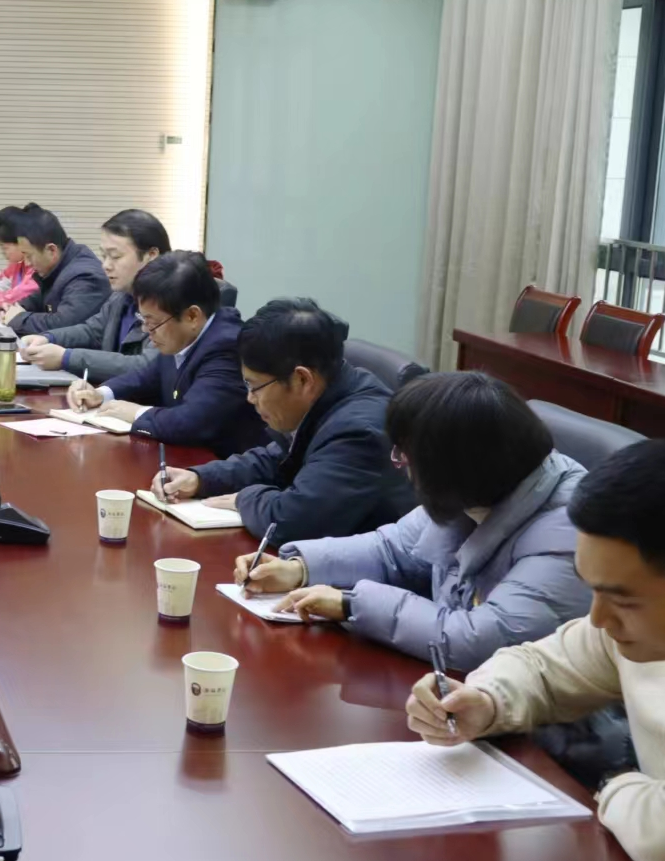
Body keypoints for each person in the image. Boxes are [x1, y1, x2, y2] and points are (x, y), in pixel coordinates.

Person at [403, 440, 665, 861]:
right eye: (592, 590)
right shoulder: (627, 635)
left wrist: (614, 784)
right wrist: (485, 701)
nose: (598, 618)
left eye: (622, 600)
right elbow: (540, 666)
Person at [237, 371, 588, 669]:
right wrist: (300, 568)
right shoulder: (482, 487)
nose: (402, 466)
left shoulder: (568, 531)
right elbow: (392, 549)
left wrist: (351, 604)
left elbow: (478, 640)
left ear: (456, 465)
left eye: (407, 456)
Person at [153, 299, 415, 542]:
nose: (250, 398)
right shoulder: (329, 393)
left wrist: (244, 499)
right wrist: (201, 478)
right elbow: (277, 460)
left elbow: (293, 521)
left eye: (254, 386)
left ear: (302, 379)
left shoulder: (359, 431)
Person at [64, 251, 268, 457]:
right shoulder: (181, 334)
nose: (146, 330)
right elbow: (146, 377)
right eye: (143, 320)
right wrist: (101, 394)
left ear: (192, 316)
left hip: (222, 464)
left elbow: (191, 423)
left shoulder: (227, 346)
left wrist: (136, 413)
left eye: (152, 322)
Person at [21, 209, 168, 382]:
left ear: (151, 256)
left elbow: (145, 366)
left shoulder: (172, 304)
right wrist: (48, 338)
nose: (106, 265)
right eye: (104, 256)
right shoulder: (121, 296)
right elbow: (92, 331)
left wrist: (67, 358)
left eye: (115, 256)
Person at [2, 205, 110, 336]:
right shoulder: (56, 269)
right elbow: (36, 300)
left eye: (29, 256)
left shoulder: (85, 276)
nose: (27, 263)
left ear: (51, 250)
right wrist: (14, 308)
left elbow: (65, 324)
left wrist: (18, 319)